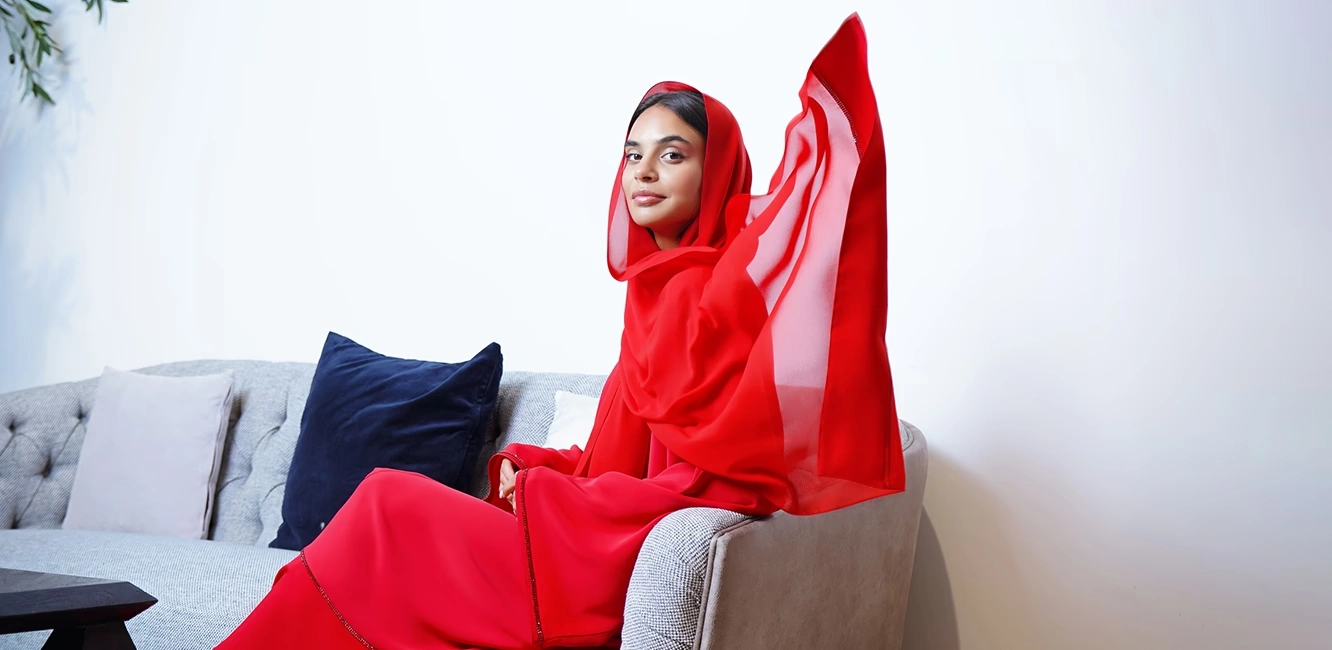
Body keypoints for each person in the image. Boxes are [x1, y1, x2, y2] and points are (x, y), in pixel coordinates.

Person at [214, 13, 903, 650]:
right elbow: (626, 451)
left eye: (673, 155)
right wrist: (541, 465)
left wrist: (553, 494)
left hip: (605, 555)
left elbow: (705, 482)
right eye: (633, 155)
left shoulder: (708, 294)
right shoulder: (656, 292)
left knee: (386, 504)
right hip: (589, 530)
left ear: (716, 169)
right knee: (373, 524)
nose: (644, 172)